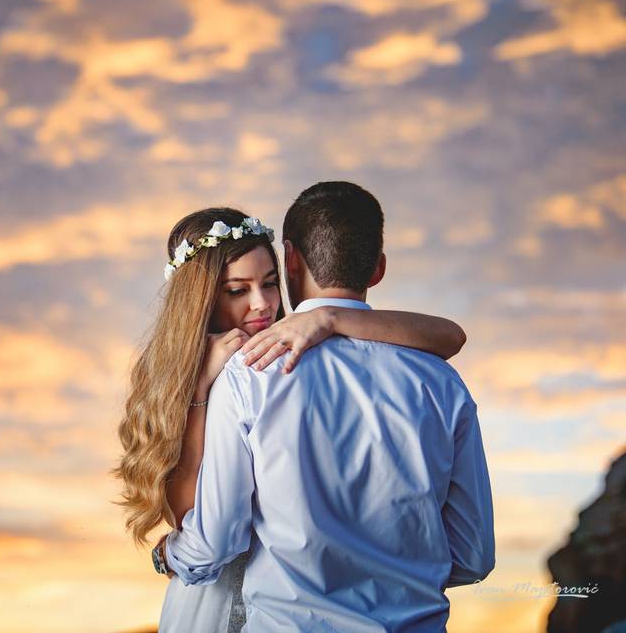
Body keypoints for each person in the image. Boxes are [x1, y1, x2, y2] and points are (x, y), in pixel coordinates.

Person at [152, 183, 495, 632]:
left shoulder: (249, 373)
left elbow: (213, 542)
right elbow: (472, 557)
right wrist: (393, 575)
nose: (260, 302)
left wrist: (166, 555)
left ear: (288, 260)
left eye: (269, 282)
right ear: (378, 268)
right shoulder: (442, 381)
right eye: (238, 289)